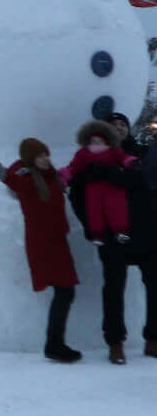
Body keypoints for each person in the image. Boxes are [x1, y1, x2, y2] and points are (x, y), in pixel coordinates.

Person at [0, 138, 81, 361]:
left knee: (65, 292)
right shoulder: (28, 180)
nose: (45, 159)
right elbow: (14, 182)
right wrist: (4, 174)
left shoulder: (52, 177)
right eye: (39, 156)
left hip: (57, 242)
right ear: (30, 160)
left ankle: (55, 343)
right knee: (65, 291)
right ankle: (54, 344)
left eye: (46, 154)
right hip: (44, 243)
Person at [66, 119, 152, 364]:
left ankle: (153, 339)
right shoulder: (86, 158)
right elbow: (77, 193)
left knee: (154, 286)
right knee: (113, 288)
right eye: (113, 124)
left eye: (123, 124)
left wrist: (112, 174)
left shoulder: (140, 154)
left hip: (146, 232)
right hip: (112, 235)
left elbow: (145, 184)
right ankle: (115, 342)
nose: (119, 128)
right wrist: (91, 225)